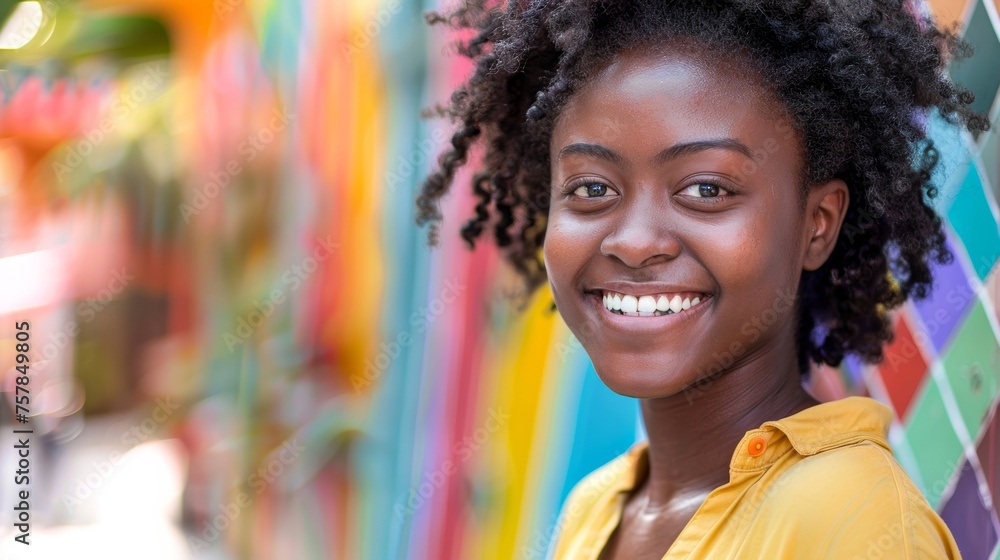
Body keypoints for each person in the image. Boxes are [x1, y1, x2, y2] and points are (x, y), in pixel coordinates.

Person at [418, 1, 989, 558]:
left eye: (707, 190)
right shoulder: (594, 510)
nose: (636, 243)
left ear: (817, 225)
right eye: (592, 188)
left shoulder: (855, 523)